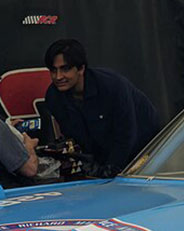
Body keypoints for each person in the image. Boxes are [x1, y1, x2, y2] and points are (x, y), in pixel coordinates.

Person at [42, 39, 159, 178]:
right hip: (101, 160)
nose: (58, 76)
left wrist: (111, 171)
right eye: (53, 70)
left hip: (145, 153)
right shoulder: (53, 97)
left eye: (65, 69)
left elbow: (127, 136)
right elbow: (75, 140)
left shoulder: (112, 86)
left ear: (81, 69)